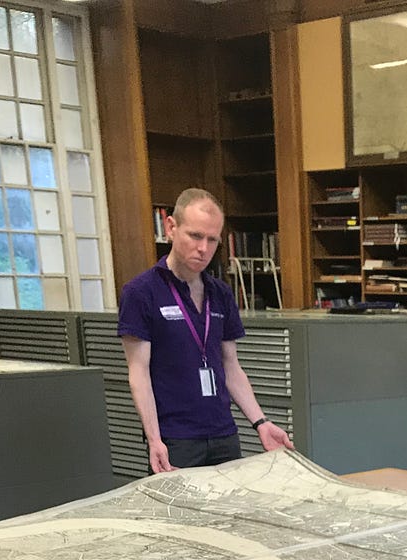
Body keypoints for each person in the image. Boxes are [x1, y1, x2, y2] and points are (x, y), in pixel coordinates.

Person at [117, 187, 291, 474]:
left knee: (228, 516)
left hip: (223, 433)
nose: (203, 248)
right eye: (195, 236)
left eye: (212, 240)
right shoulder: (141, 293)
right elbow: (139, 373)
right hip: (176, 438)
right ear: (172, 228)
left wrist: (261, 422)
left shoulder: (220, 293)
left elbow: (230, 366)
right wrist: (154, 439)